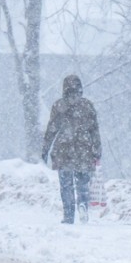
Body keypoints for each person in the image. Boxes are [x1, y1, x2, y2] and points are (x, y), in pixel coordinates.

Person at [41, 74, 102, 224]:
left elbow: (52, 130)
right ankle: (82, 204)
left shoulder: (59, 106)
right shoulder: (87, 106)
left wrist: (45, 150)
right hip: (84, 148)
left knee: (66, 185)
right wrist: (97, 149)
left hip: (64, 149)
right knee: (82, 182)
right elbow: (94, 130)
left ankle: (68, 215)